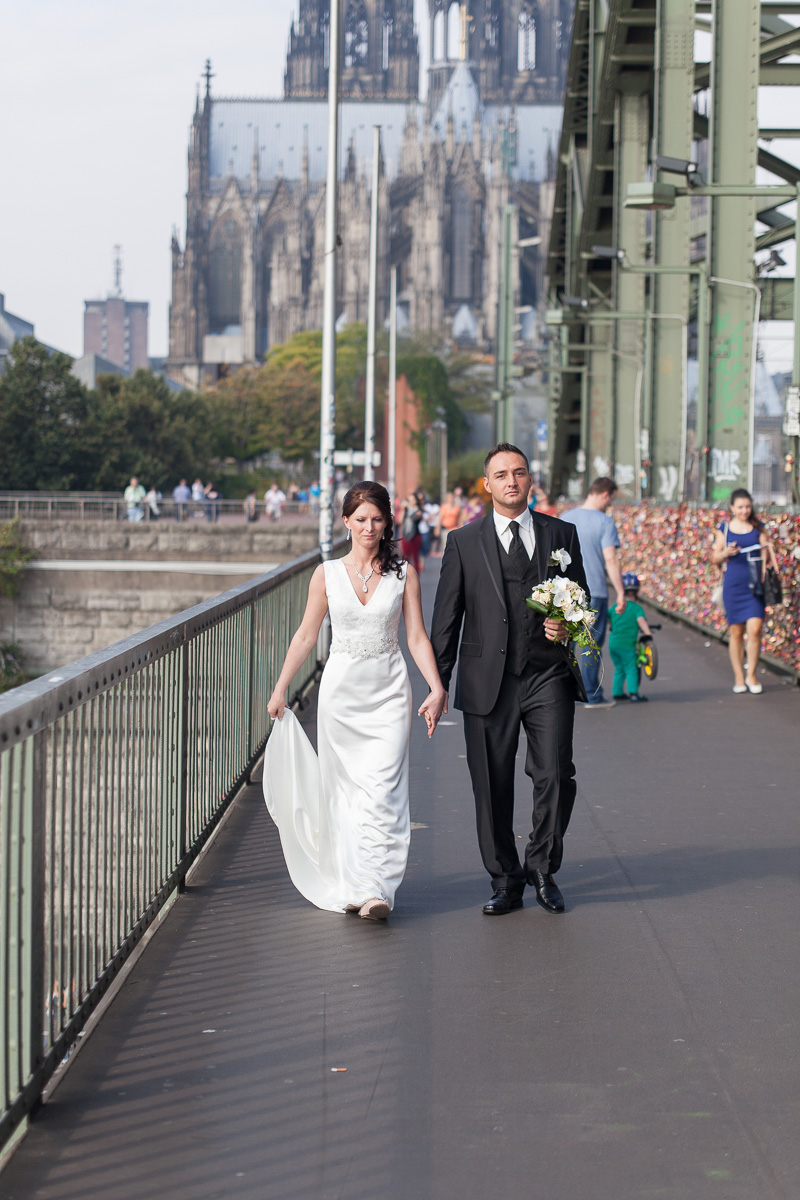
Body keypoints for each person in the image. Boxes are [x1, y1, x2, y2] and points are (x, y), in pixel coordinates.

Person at [263, 482, 446, 920]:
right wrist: (280, 686)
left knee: (383, 790)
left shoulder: (405, 574)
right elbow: (307, 634)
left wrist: (436, 688)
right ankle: (362, 888)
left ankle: (377, 886)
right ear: (346, 522)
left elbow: (416, 637)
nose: (369, 527)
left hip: (388, 693)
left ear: (387, 523)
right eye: (361, 519)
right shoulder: (325, 574)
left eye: (377, 519)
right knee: (344, 793)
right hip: (341, 696)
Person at [431, 443, 588, 917]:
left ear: (530, 480)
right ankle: (504, 878)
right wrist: (438, 684)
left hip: (548, 674)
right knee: (491, 784)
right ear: (488, 484)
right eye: (501, 475)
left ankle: (542, 865)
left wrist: (570, 626)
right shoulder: (462, 541)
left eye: (519, 473)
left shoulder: (562, 533)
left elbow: (578, 603)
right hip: (486, 681)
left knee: (556, 774)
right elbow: (446, 619)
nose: (511, 482)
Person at [561, 476, 627, 708]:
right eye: (611, 499)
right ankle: (591, 693)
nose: (610, 504)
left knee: (566, 640)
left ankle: (561, 691)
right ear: (605, 494)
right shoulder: (605, 522)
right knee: (591, 643)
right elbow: (610, 559)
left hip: (567, 592)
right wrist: (620, 591)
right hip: (595, 590)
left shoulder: (566, 518)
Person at [711, 488, 779, 695]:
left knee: (756, 629)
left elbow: (767, 554)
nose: (745, 511)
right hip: (733, 585)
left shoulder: (759, 527)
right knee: (736, 632)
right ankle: (739, 676)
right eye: (740, 507)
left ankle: (752, 675)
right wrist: (725, 553)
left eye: (748, 506)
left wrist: (768, 548)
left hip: (755, 585)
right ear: (732, 508)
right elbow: (714, 558)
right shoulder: (725, 529)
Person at [608, 573, 652, 702]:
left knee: (619, 668)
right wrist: (648, 633)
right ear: (636, 591)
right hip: (627, 644)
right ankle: (633, 693)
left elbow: (609, 618)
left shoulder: (614, 607)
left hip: (614, 643)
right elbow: (641, 621)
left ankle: (617, 693)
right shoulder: (636, 608)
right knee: (632, 668)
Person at [400, 493, 423, 570]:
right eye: (409, 500)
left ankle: (416, 576)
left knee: (415, 557)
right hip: (406, 535)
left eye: (412, 500)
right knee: (405, 557)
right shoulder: (406, 510)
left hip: (415, 536)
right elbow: (399, 520)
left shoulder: (419, 510)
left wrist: (409, 507)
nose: (411, 501)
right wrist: (403, 509)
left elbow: (414, 517)